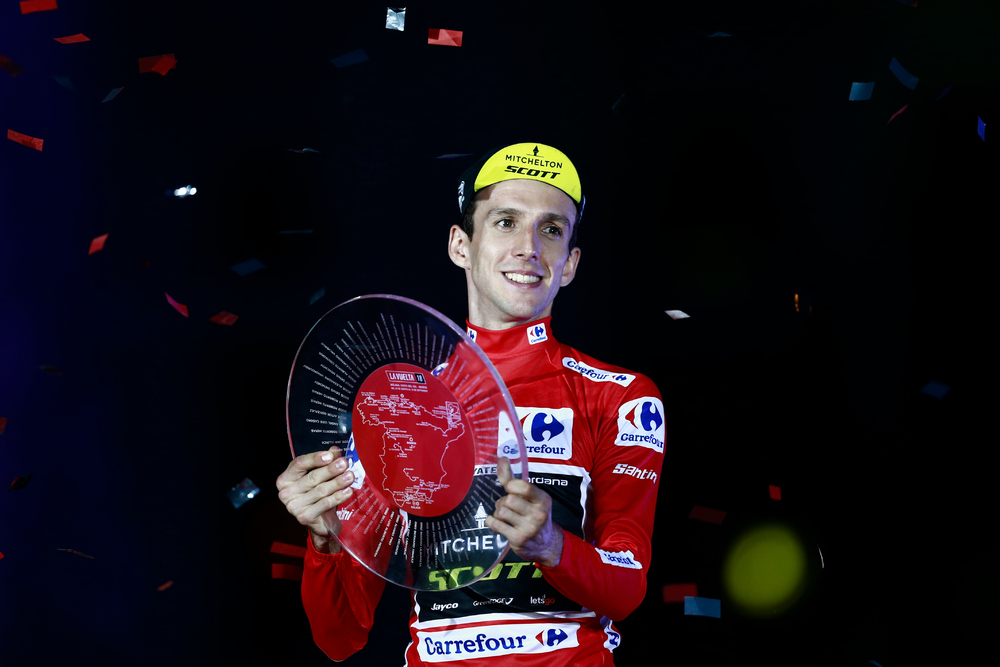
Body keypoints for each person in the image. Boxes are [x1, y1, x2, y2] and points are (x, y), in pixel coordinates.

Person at [276, 143, 666, 664]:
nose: (530, 247)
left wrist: (552, 545)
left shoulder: (619, 396)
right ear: (461, 245)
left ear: (569, 264)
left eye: (551, 229)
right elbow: (340, 637)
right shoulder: (395, 405)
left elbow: (625, 590)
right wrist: (324, 541)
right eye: (505, 221)